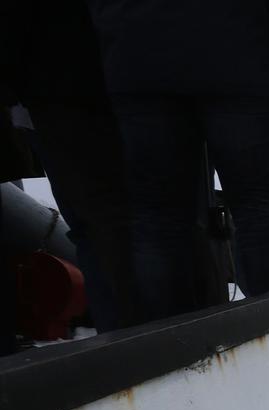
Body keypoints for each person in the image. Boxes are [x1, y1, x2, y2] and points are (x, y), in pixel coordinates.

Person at [85, 0, 269, 321]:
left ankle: (170, 347)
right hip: (234, 52)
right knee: (259, 208)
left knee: (158, 221)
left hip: (138, 57)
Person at [1, 0, 141, 335]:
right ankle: (132, 328)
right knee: (113, 225)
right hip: (89, 87)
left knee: (94, 230)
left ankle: (121, 329)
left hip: (52, 93)